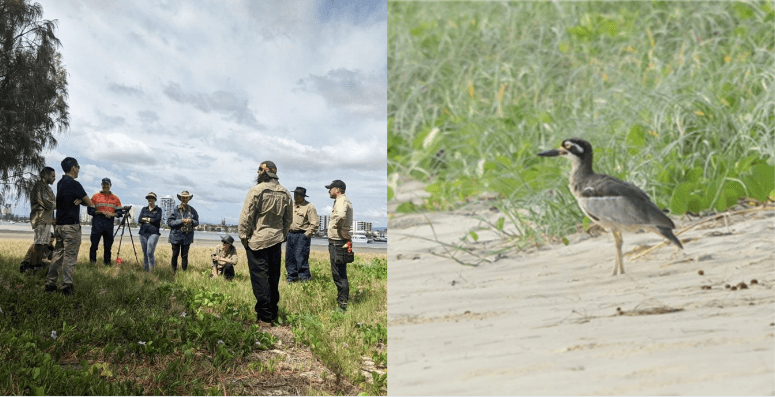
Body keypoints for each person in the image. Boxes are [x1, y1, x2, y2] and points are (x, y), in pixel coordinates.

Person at [238, 161, 293, 328]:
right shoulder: (285, 192)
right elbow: (288, 219)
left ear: (265, 172)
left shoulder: (256, 190)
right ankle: (273, 312)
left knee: (260, 278)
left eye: (259, 170)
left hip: (257, 241)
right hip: (276, 240)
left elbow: (246, 217)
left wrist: (244, 237)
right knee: (273, 278)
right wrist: (282, 236)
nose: (257, 172)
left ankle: (265, 317)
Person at [45, 157, 94, 296]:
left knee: (58, 254)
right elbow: (89, 203)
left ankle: (50, 284)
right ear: (73, 168)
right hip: (71, 227)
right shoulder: (74, 184)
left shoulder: (60, 183)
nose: (78, 170)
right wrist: (82, 201)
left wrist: (79, 200)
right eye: (78, 167)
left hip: (59, 226)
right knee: (70, 257)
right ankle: (66, 287)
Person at [325, 179, 353, 312]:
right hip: (338, 241)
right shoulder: (343, 200)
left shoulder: (341, 200)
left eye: (330, 188)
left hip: (338, 241)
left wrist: (338, 227)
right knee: (340, 272)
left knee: (339, 274)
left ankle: (342, 304)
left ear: (337, 189)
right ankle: (342, 301)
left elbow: (341, 215)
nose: (329, 191)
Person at [25, 166, 56, 273]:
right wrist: (55, 204)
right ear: (45, 176)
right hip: (39, 219)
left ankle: (37, 267)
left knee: (43, 245)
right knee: (38, 245)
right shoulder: (38, 187)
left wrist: (54, 205)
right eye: (52, 176)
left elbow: (53, 202)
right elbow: (48, 203)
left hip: (47, 220)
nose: (54, 178)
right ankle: (32, 268)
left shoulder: (49, 189)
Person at [285, 187, 319, 283]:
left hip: (301, 234)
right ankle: (291, 277)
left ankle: (305, 278)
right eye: (295, 194)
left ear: (302, 196)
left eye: (298, 195)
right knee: (289, 257)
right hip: (290, 234)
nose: (296, 196)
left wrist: (306, 234)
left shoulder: (309, 206)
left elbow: (315, 223)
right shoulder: (291, 206)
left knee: (301, 257)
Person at [87, 178, 123, 265]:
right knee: (94, 245)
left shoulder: (115, 198)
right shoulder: (95, 196)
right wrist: (100, 212)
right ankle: (92, 263)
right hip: (97, 224)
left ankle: (107, 263)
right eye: (103, 184)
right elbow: (90, 211)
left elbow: (120, 213)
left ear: (110, 185)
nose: (105, 186)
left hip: (109, 224)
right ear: (101, 185)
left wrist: (112, 214)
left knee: (108, 246)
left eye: (107, 184)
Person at [167, 190, 198, 272]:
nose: (184, 199)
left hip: (187, 237)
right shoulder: (175, 210)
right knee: (175, 255)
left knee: (184, 256)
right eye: (183, 198)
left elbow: (197, 222)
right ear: (180, 198)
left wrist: (191, 221)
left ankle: (184, 272)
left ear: (188, 199)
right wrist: (181, 221)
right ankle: (173, 271)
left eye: (186, 198)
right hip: (176, 236)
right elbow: (169, 222)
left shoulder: (192, 210)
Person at [137, 192, 162, 271]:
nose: (150, 199)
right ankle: (145, 270)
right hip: (143, 233)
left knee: (149, 252)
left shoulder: (158, 210)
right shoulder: (144, 209)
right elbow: (140, 219)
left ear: (155, 199)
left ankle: (152, 271)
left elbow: (157, 220)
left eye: (152, 198)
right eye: (149, 198)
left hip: (154, 233)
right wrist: (151, 219)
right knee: (145, 253)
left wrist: (147, 219)